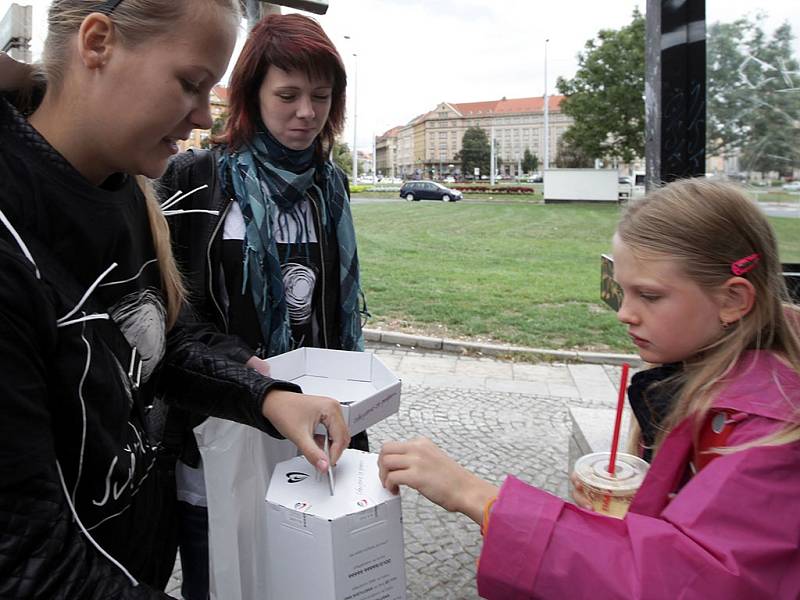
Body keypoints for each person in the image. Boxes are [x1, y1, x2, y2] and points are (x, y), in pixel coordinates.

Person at [0, 2, 349, 597]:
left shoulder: (124, 189)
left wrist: (265, 396)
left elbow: (165, 339)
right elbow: (26, 561)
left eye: (210, 88)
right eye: (190, 84)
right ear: (97, 43)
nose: (199, 116)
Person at [378, 179, 800, 598]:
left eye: (649, 296)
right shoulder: (708, 383)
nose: (625, 314)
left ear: (732, 301)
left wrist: (478, 497)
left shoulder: (770, 436)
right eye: (621, 290)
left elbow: (684, 581)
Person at [156, 13, 368, 599]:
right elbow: (171, 311)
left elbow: (333, 308)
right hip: (220, 426)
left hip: (314, 424)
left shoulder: (331, 185)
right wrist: (238, 371)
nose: (306, 113)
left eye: (321, 97)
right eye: (288, 95)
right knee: (222, 574)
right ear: (252, 95)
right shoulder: (195, 179)